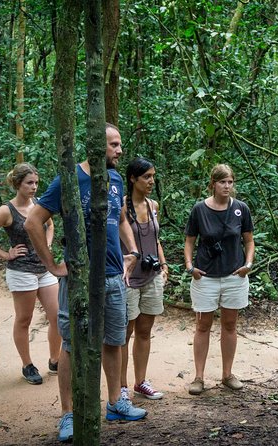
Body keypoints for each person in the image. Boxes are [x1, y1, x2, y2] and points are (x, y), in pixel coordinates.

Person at [24, 123, 146, 443]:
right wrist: (51, 264)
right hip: (79, 279)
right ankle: (69, 414)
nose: (120, 151)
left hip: (113, 278)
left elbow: (120, 219)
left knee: (114, 341)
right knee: (71, 345)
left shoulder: (116, 178)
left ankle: (117, 402)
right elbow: (33, 221)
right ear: (95, 145)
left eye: (120, 144)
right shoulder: (69, 179)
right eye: (114, 145)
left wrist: (131, 250)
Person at [184, 164, 255, 396]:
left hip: (235, 275)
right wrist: (190, 266)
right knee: (203, 325)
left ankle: (227, 374)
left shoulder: (241, 209)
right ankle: (198, 377)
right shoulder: (199, 210)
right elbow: (189, 241)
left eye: (230, 182)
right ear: (212, 184)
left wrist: (248, 265)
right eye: (222, 182)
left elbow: (249, 240)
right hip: (206, 276)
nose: (227, 186)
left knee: (230, 325)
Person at [0, 163, 61, 385]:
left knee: (57, 316)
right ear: (18, 184)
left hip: (44, 269)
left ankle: (55, 359)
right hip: (21, 271)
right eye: (30, 183)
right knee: (24, 319)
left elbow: (49, 225)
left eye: (36, 183)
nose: (34, 187)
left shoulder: (39, 205)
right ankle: (27, 364)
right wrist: (5, 254)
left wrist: (45, 248)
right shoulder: (5, 211)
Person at [119, 157, 169, 400]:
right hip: (128, 278)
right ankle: (121, 387)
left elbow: (156, 239)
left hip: (151, 276)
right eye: (146, 177)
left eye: (153, 176)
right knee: (124, 334)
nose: (151, 181)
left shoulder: (153, 205)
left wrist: (164, 264)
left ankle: (141, 381)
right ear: (132, 179)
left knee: (145, 331)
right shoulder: (120, 206)